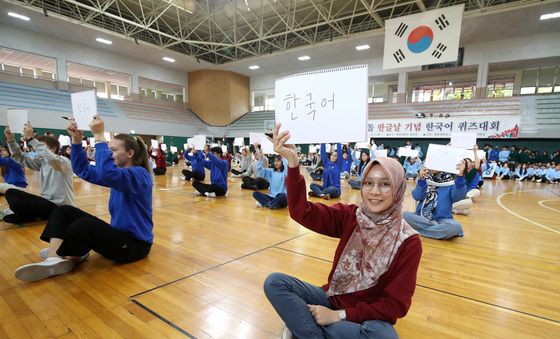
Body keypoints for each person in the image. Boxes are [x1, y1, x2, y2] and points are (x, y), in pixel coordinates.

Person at [264, 123, 422, 339]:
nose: (375, 192)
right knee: (275, 283)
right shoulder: (351, 216)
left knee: (384, 336)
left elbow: (394, 306)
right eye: (368, 183)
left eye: (385, 184)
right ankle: (312, 329)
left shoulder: (408, 241)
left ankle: (303, 327)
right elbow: (302, 212)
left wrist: (337, 316)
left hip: (364, 319)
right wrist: (292, 162)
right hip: (331, 298)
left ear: (398, 188)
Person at [14, 116, 153, 282]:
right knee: (64, 210)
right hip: (118, 236)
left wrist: (100, 136)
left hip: (134, 246)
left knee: (84, 225)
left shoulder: (141, 175)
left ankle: (72, 253)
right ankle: (55, 258)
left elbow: (107, 172)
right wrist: (77, 141)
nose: (109, 154)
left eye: (113, 150)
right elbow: (82, 170)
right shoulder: (119, 175)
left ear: (130, 153)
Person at [3, 123, 75, 224]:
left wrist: (31, 139)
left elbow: (52, 158)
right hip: (46, 203)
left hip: (60, 208)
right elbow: (20, 158)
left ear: (53, 148)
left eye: (41, 147)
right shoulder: (43, 162)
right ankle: (32, 215)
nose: (37, 150)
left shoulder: (64, 161)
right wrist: (10, 140)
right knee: (11, 192)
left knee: (16, 205)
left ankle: (30, 215)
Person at [403, 162, 467, 239]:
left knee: (455, 227)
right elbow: (417, 196)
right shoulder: (425, 178)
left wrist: (460, 177)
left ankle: (419, 231)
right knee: (404, 215)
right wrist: (422, 179)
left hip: (443, 218)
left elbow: (458, 196)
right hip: (421, 217)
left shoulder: (451, 181)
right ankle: (436, 230)